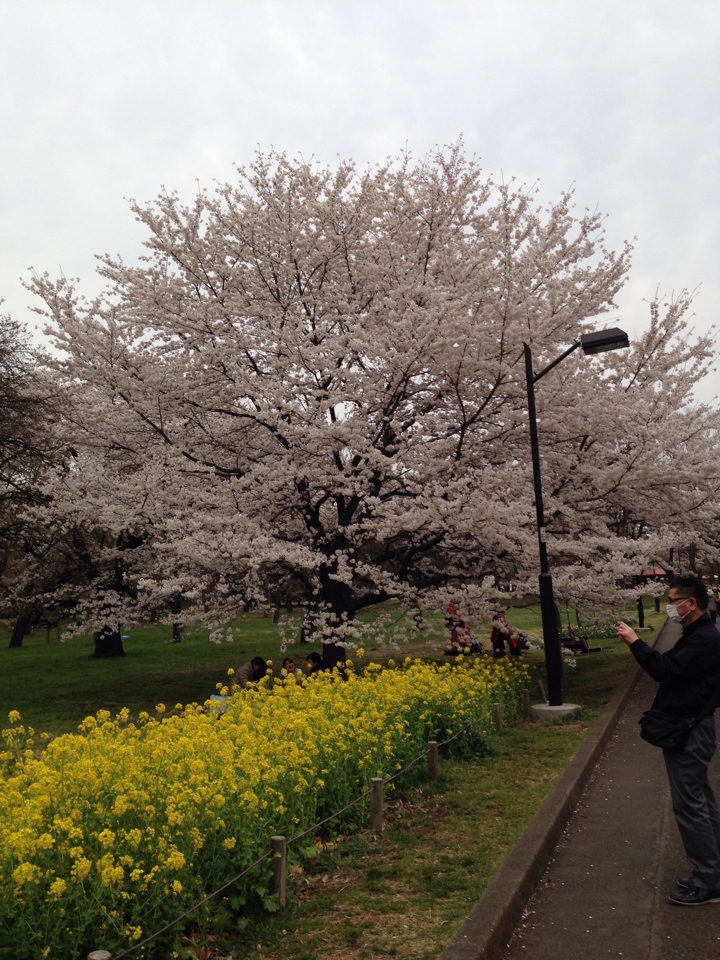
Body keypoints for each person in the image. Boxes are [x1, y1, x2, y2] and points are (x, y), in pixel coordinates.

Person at [617, 575, 720, 905]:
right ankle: (714, 870)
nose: (670, 606)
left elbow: (667, 671)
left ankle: (708, 879)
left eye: (674, 600)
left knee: (690, 805)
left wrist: (636, 642)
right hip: (693, 725)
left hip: (690, 730)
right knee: (701, 800)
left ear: (691, 604)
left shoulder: (704, 638)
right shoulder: (698, 634)